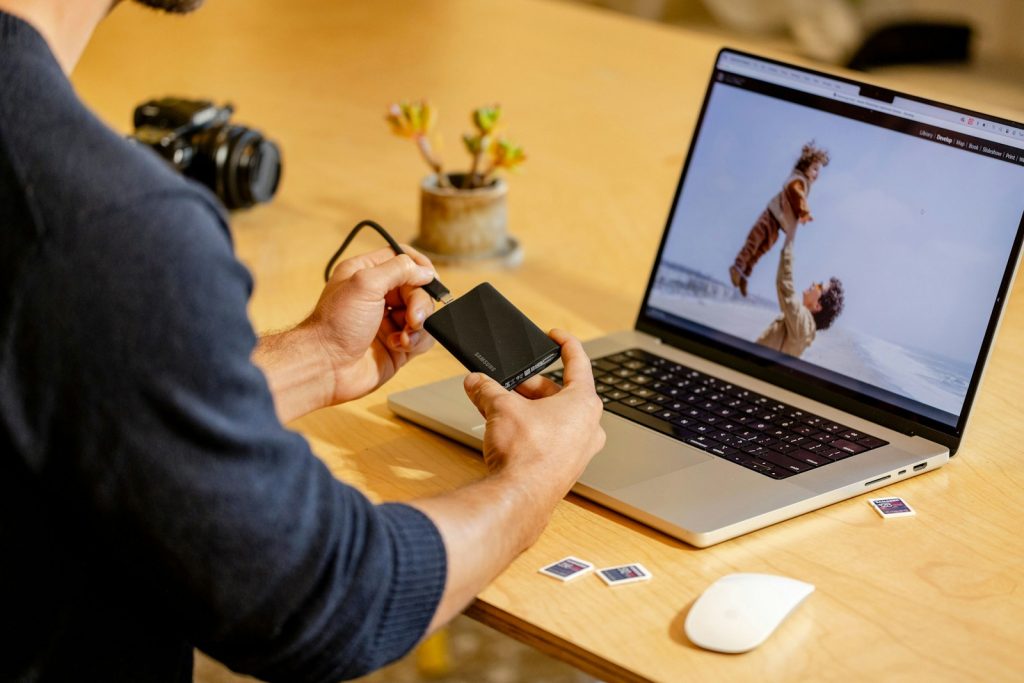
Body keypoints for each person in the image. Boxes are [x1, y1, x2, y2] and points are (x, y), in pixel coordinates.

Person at [0, 1, 606, 681]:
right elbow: (321, 594)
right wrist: (535, 476)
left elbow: (53, 374)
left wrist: (310, 358)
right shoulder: (105, 222)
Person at [730, 142, 830, 297]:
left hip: (778, 224)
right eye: (815, 169)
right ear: (805, 166)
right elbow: (795, 193)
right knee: (754, 242)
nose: (817, 174)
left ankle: (745, 275)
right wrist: (804, 211)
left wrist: (800, 217)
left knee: (762, 249)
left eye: (819, 171)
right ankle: (737, 267)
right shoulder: (798, 179)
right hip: (770, 216)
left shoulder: (805, 185)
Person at [755, 223, 845, 358]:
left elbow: (785, 286)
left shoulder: (804, 326)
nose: (814, 283)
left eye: (820, 286)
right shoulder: (801, 325)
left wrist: (790, 236)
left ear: (817, 306)